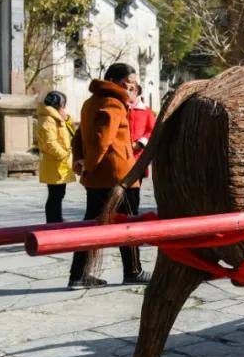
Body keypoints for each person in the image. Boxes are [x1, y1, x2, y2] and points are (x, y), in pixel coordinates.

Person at [69, 63, 152, 289]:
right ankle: (133, 271)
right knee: (129, 226)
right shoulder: (113, 103)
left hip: (99, 178)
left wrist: (80, 160)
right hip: (120, 178)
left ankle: (78, 275)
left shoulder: (90, 102)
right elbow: (101, 140)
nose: (130, 89)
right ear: (115, 81)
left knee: (91, 225)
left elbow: (78, 137)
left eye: (133, 85)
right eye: (127, 84)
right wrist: (89, 163)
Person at [35, 91, 76, 223]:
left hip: (59, 164)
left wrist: (67, 118)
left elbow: (71, 132)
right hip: (55, 163)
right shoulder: (48, 119)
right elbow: (49, 143)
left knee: (59, 194)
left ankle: (56, 220)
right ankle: (53, 222)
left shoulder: (55, 117)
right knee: (55, 195)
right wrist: (64, 155)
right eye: (63, 105)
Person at [126, 82, 156, 220]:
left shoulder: (146, 111)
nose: (127, 91)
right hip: (121, 157)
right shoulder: (120, 108)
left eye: (131, 89)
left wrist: (140, 143)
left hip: (137, 158)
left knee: (133, 192)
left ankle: (132, 218)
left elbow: (151, 130)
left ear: (137, 91)